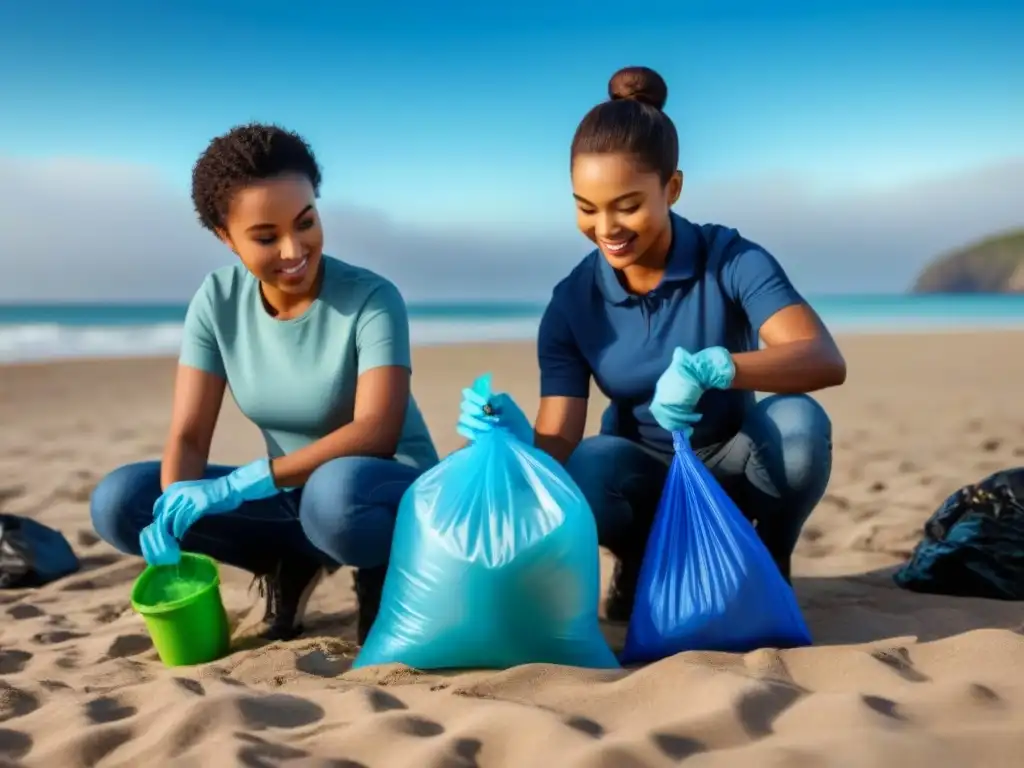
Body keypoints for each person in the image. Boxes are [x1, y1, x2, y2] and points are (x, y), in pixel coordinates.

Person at [457, 67, 846, 622]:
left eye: (627, 205)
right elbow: (562, 439)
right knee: (591, 466)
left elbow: (823, 359)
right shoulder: (572, 303)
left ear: (673, 188)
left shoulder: (731, 258)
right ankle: (638, 561)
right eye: (586, 208)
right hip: (639, 476)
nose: (606, 227)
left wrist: (720, 367)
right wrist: (511, 441)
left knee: (801, 428)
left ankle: (771, 557)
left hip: (735, 459)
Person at [89, 124, 439, 643]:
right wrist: (174, 513)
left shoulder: (372, 299)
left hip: (381, 491)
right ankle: (290, 561)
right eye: (266, 236)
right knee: (121, 501)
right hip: (293, 496)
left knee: (335, 495)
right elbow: (188, 433)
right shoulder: (216, 300)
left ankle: (382, 575)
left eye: (306, 222)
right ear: (224, 237)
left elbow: (377, 431)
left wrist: (240, 484)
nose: (294, 249)